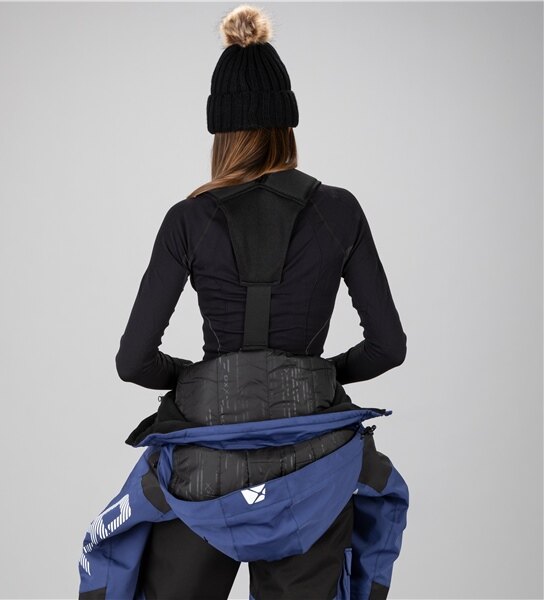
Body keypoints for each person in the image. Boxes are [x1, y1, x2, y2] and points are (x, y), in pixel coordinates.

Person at [111, 5, 407, 600]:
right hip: (314, 467)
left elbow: (133, 361)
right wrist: (316, 374)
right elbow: (387, 347)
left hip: (202, 469)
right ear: (286, 125)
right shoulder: (340, 210)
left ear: (220, 133)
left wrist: (201, 379)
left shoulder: (188, 218)